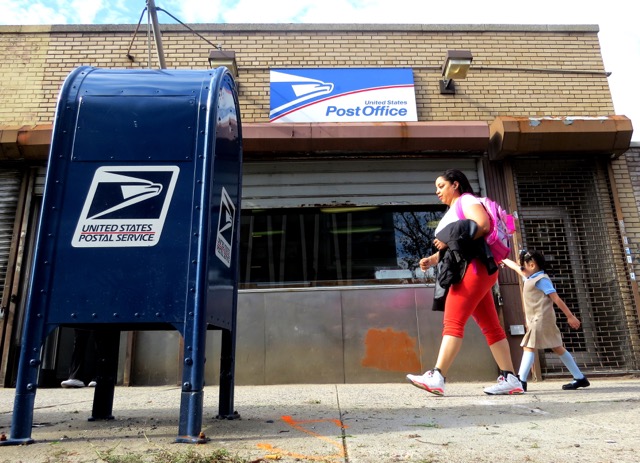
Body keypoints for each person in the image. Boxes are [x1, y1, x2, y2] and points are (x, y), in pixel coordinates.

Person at [406, 169, 524, 396]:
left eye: (441, 186)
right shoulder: (453, 209)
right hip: (478, 269)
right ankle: (511, 378)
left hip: (473, 268)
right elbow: (458, 243)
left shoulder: (466, 200)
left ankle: (437, 376)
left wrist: (451, 238)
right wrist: (432, 259)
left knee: (453, 321)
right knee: (491, 326)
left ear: (456, 185)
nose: (437, 191)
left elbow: (482, 225)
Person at [501, 250, 590, 391]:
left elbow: (556, 299)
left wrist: (570, 316)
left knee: (529, 346)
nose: (522, 269)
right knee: (557, 347)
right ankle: (579, 378)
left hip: (540, 318)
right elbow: (515, 267)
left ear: (532, 265)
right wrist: (501, 258)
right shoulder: (530, 276)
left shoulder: (541, 280)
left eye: (524, 266)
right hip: (540, 318)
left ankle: (521, 380)